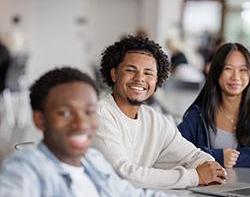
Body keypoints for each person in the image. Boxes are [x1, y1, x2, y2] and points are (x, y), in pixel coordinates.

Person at [0, 67, 169, 197]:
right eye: (66, 113)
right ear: (40, 120)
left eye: (89, 112)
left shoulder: (92, 159)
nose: (81, 124)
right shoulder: (26, 170)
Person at [92, 35, 227, 189]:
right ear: (114, 74)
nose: (139, 78)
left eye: (148, 73)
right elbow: (123, 174)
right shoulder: (99, 114)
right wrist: (195, 176)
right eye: (130, 70)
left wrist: (213, 169)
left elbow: (192, 156)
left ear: (157, 80)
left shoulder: (155, 120)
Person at [178, 43, 250, 168]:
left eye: (243, 70)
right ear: (216, 72)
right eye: (228, 69)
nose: (236, 77)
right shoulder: (198, 115)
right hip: (213, 187)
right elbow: (178, 152)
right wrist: (218, 156)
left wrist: (237, 158)